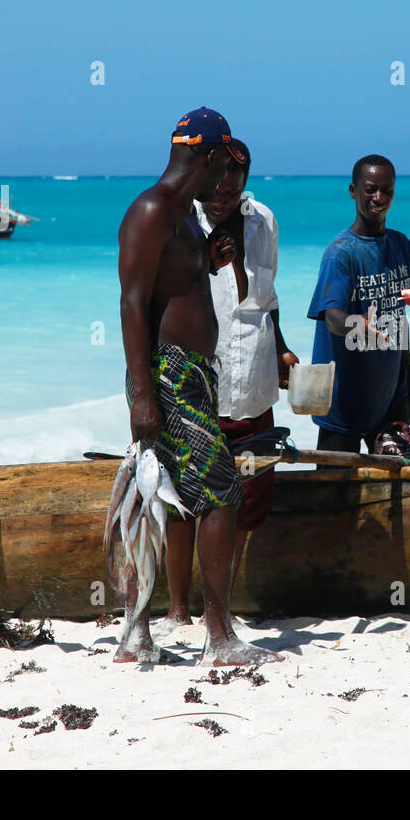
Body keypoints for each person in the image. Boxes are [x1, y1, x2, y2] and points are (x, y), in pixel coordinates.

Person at [115, 106, 280, 667]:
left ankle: (136, 635)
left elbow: (171, 287)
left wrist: (206, 264)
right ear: (208, 157)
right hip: (168, 374)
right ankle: (220, 636)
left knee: (156, 491)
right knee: (222, 490)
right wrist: (142, 392)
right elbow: (133, 303)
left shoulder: (184, 215)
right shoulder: (153, 210)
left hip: (190, 372)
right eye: (223, 164)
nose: (226, 181)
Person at [157, 139, 297, 624]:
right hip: (199, 383)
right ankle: (178, 608)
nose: (222, 199)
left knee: (246, 497)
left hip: (254, 382)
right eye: (216, 190)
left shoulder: (264, 221)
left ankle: (222, 604)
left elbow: (268, 300)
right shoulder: (179, 224)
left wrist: (280, 349)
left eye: (232, 192)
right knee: (182, 498)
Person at [306, 155, 410, 457]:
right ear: (353, 191)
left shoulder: (401, 246)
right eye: (370, 190)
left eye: (387, 190)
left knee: (390, 495)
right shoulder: (341, 253)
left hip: (389, 401)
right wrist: (357, 326)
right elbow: (331, 315)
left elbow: (400, 322)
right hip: (342, 405)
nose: (378, 198)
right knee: (334, 498)